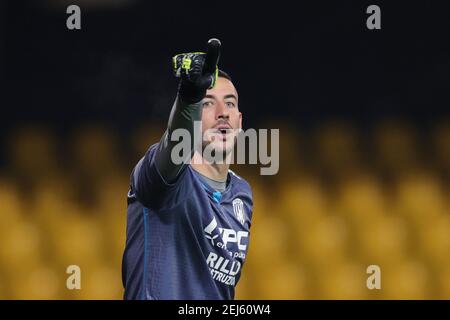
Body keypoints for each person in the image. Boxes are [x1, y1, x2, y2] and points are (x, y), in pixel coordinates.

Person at [122, 39, 254, 300]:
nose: (222, 113)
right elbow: (176, 143)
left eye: (229, 103)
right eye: (207, 103)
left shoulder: (242, 193)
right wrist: (188, 98)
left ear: (239, 121)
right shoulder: (165, 175)